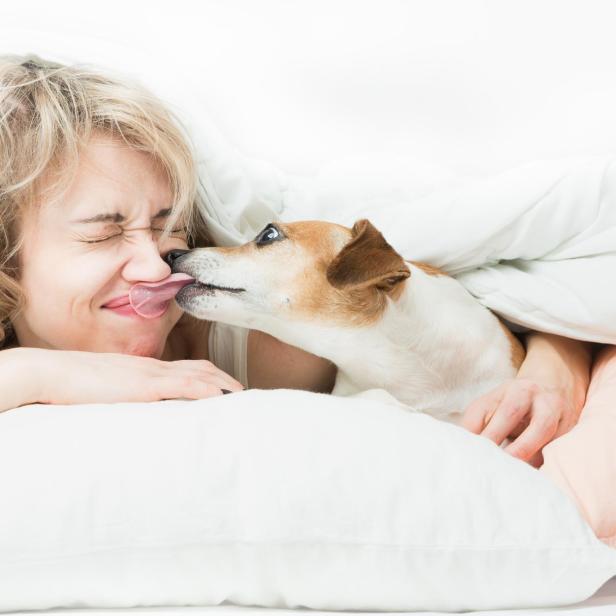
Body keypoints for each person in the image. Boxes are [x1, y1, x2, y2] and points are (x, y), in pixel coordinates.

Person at [1, 56, 612, 543]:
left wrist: (556, 361)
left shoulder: (275, 330)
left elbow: (538, 284)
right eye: (102, 232)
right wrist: (39, 371)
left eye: (167, 223)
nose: (156, 260)